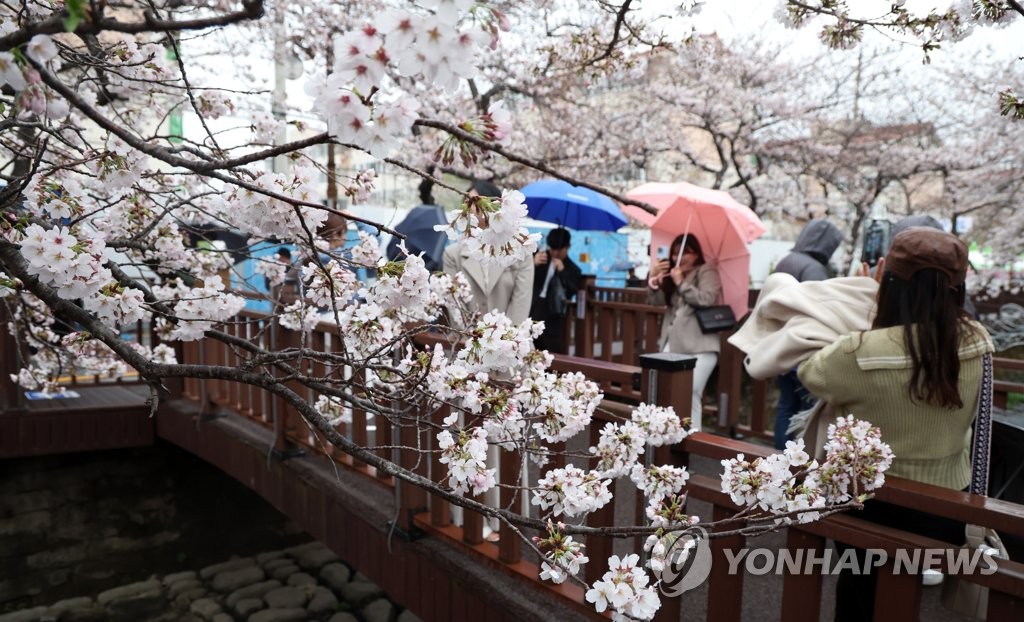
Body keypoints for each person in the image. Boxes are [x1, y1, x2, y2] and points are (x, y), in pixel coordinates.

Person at [797, 227, 994, 622]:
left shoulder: (857, 352)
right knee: (904, 592)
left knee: (859, 594)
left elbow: (810, 372)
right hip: (946, 505)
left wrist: (866, 294)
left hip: (869, 502)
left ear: (889, 282)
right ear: (957, 288)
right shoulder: (978, 340)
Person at [770, 219, 843, 449]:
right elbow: (820, 309)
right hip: (803, 348)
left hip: (781, 344)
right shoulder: (813, 268)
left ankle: (780, 455)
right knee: (805, 408)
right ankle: (797, 460)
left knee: (785, 405)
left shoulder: (786, 260)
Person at [646, 233, 723, 430]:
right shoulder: (673, 274)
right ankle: (667, 436)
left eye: (685, 253)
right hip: (673, 342)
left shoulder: (707, 271)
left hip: (701, 345)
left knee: (690, 393)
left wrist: (681, 283)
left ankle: (690, 438)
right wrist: (653, 280)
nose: (677, 258)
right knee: (664, 391)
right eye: (674, 254)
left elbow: (707, 299)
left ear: (696, 254)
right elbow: (656, 303)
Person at [442, 180, 534, 325]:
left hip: (512, 339)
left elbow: (521, 300)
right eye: (466, 202)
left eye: (474, 202)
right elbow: (454, 303)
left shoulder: (519, 249)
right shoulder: (453, 254)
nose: (468, 208)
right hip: (469, 340)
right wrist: (471, 338)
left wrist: (506, 339)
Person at [530, 228, 582, 354]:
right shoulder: (540, 256)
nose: (553, 252)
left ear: (567, 247)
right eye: (551, 248)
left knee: (550, 351)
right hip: (533, 307)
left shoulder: (573, 269)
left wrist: (562, 271)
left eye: (558, 249)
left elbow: (572, 290)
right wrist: (532, 263)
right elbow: (522, 276)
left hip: (552, 314)